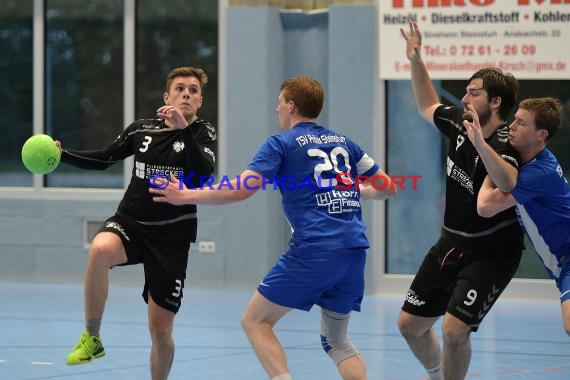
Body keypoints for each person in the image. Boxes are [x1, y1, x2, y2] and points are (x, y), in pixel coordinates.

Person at [149, 75, 397, 380]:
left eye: (279, 102)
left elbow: (241, 189)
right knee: (337, 340)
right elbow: (386, 187)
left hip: (314, 250)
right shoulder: (344, 142)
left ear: (291, 106)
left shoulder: (281, 144)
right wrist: (344, 191)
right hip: (354, 252)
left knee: (255, 321)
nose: (276, 108)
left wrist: (185, 195)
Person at [58, 67, 217, 380]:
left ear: (199, 101)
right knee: (100, 249)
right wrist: (61, 154)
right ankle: (92, 338)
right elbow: (104, 158)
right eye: (180, 88)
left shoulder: (202, 133)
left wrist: (183, 129)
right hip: (130, 223)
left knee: (160, 331)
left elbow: (202, 175)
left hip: (171, 238)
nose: (187, 94)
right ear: (166, 96)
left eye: (193, 91)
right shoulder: (141, 130)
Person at [397, 21, 524, 380]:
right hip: (450, 243)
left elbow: (506, 181)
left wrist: (481, 146)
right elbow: (427, 104)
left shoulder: (508, 142)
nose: (465, 99)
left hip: (492, 253)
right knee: (409, 325)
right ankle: (436, 374)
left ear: (495, 102)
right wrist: (416, 59)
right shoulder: (457, 122)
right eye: (466, 93)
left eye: (473, 93)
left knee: (454, 332)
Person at [471, 97, 570, 335]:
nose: (512, 126)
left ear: (541, 135)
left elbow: (485, 206)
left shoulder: (540, 171)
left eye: (522, 123)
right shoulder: (526, 163)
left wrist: (488, 162)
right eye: (514, 119)